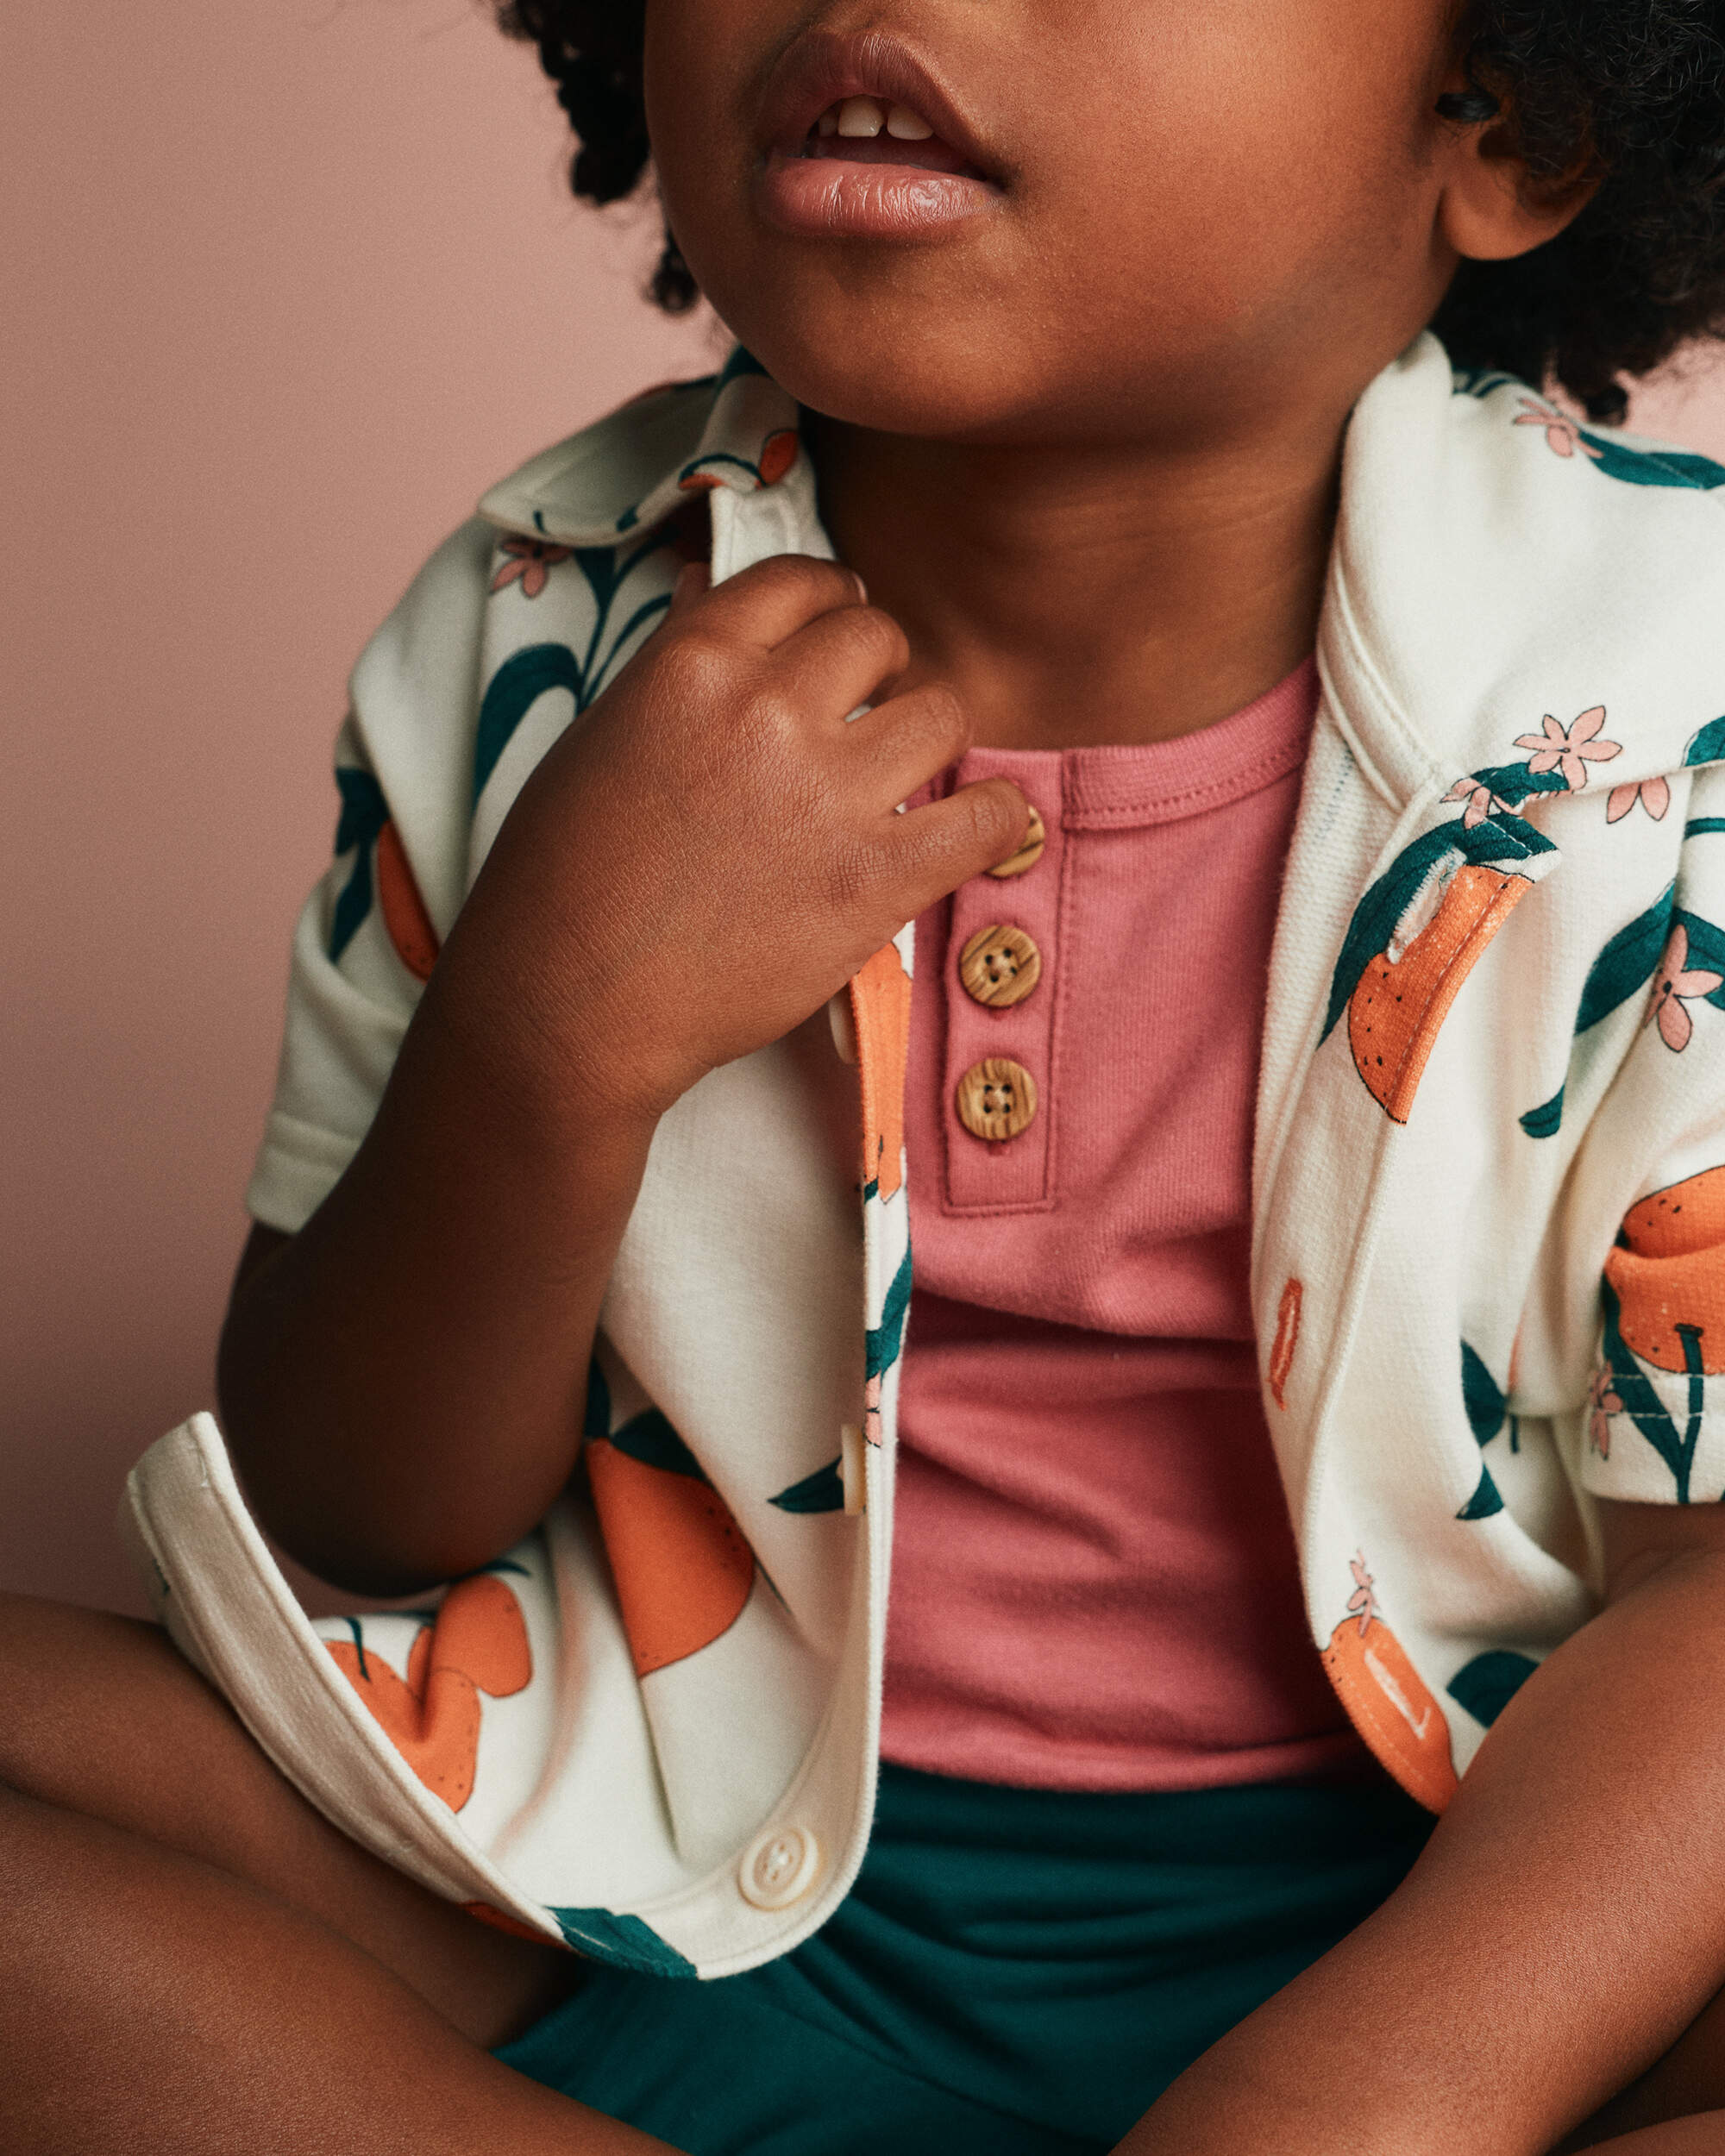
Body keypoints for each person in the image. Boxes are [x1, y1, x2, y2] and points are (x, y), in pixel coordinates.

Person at [7, 1, 1725, 2149]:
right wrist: (549, 1032)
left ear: (1503, 112)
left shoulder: (1678, 702)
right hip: (640, 1872)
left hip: (1463, 1924)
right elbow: (356, 1514)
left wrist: (1369, 2097)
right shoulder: (543, 611)